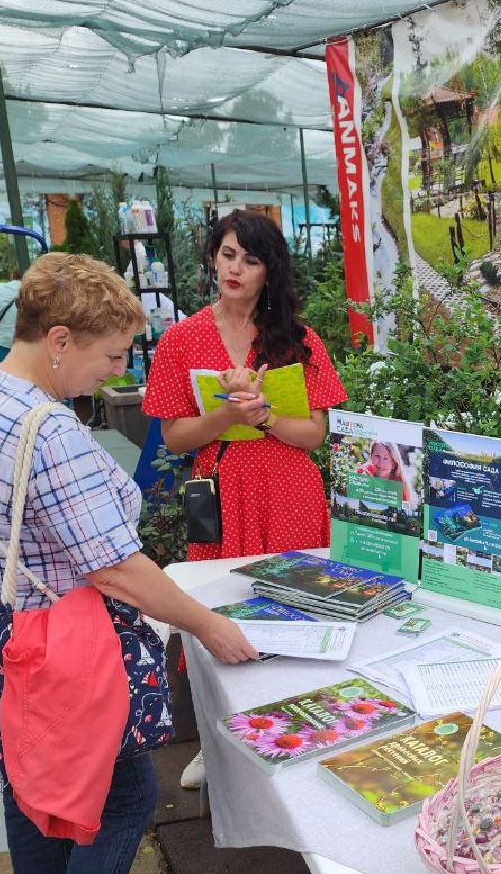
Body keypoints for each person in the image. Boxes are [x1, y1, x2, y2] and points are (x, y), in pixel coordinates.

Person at [0, 252, 260, 874]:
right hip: (50, 644)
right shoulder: (51, 436)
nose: (120, 372)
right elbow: (117, 569)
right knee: (123, 792)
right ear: (58, 339)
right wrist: (209, 624)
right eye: (112, 356)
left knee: (31, 784)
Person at [142, 211, 348, 789]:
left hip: (289, 489)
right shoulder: (181, 340)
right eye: (228, 254)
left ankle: (299, 731)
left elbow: (315, 434)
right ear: (213, 257)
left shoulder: (297, 339)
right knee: (218, 611)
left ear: (268, 271)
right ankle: (215, 738)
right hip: (222, 491)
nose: (236, 268)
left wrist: (265, 415)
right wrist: (224, 415)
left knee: (298, 610)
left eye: (250, 260)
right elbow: (176, 437)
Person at [355, 439, 416, 505]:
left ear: (393, 464)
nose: (381, 464)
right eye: (377, 456)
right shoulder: (364, 471)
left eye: (386, 458)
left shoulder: (399, 485)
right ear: (371, 457)